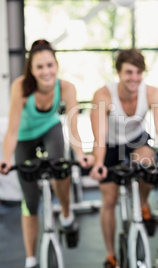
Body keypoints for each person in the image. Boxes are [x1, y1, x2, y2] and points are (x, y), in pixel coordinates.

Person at [89, 48, 158, 268]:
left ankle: (142, 204)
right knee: (109, 201)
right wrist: (99, 164)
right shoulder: (103, 94)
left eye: (138, 73)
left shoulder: (151, 93)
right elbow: (99, 136)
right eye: (129, 72)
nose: (134, 78)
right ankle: (111, 255)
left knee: (149, 164)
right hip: (110, 146)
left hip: (137, 141)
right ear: (119, 73)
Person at [0, 39, 90, 268]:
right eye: (39, 67)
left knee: (61, 167)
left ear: (56, 65)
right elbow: (11, 131)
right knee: (29, 201)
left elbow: (73, 127)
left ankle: (67, 216)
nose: (46, 71)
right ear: (31, 69)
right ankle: (31, 260)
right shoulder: (20, 87)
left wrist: (80, 155)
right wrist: (5, 158)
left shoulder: (67, 88)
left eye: (50, 65)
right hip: (23, 138)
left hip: (50, 129)